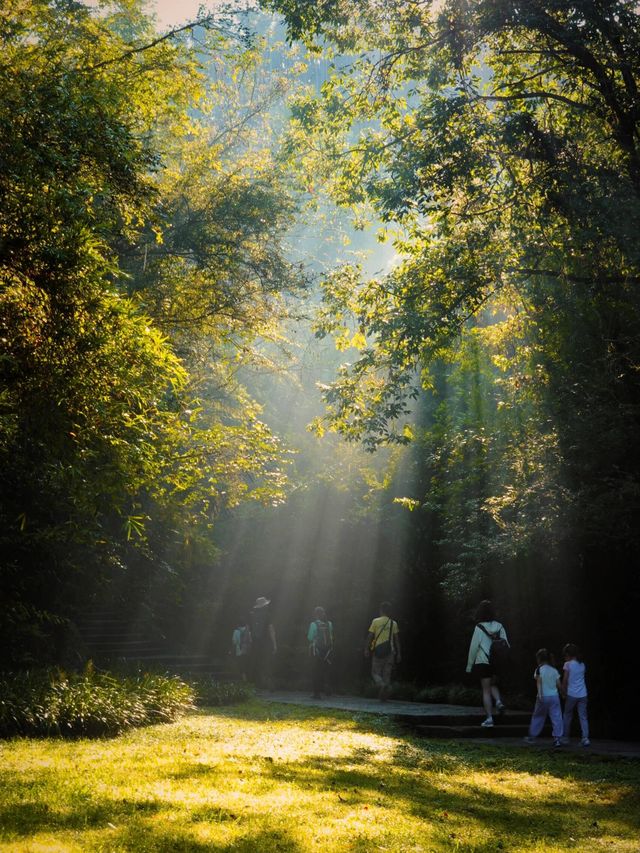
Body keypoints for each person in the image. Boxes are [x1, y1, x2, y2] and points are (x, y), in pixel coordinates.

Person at [466, 599, 509, 727]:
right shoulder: (500, 626)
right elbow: (506, 645)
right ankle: (499, 701)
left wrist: (469, 666)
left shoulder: (479, 628)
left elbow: (473, 648)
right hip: (497, 663)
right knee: (493, 684)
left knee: (486, 690)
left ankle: (489, 719)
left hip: (483, 661)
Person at [524, 648, 563, 747]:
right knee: (556, 717)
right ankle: (557, 739)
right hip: (554, 697)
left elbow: (538, 683)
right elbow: (559, 684)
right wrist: (563, 693)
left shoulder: (538, 669)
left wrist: (540, 695)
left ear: (539, 659)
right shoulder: (554, 670)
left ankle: (532, 737)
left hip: (543, 696)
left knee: (538, 716)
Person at [365, 601, 401, 701]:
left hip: (378, 651)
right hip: (390, 652)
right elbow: (397, 640)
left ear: (381, 610)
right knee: (387, 675)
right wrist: (399, 654)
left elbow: (370, 636)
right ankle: (384, 697)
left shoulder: (375, 621)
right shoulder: (393, 623)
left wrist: (366, 649)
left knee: (375, 673)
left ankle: (381, 685)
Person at [561, 642, 590, 746]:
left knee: (567, 715)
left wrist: (563, 692)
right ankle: (585, 738)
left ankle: (565, 738)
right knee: (583, 717)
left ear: (568, 654)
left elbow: (565, 680)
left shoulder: (568, 664)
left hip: (571, 694)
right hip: (583, 694)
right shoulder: (582, 664)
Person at [248, 596, 277, 689]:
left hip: (255, 642)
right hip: (266, 642)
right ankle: (270, 683)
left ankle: (258, 684)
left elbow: (249, 630)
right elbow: (271, 630)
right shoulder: (267, 615)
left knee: (257, 663)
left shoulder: (252, 615)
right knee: (267, 663)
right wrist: (274, 644)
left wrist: (250, 641)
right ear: (264, 606)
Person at [307, 606, 333, 699]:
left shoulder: (313, 624)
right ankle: (327, 685)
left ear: (315, 615)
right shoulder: (329, 624)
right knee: (325, 670)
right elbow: (331, 636)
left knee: (316, 671)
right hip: (327, 651)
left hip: (317, 652)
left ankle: (316, 693)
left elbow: (310, 637)